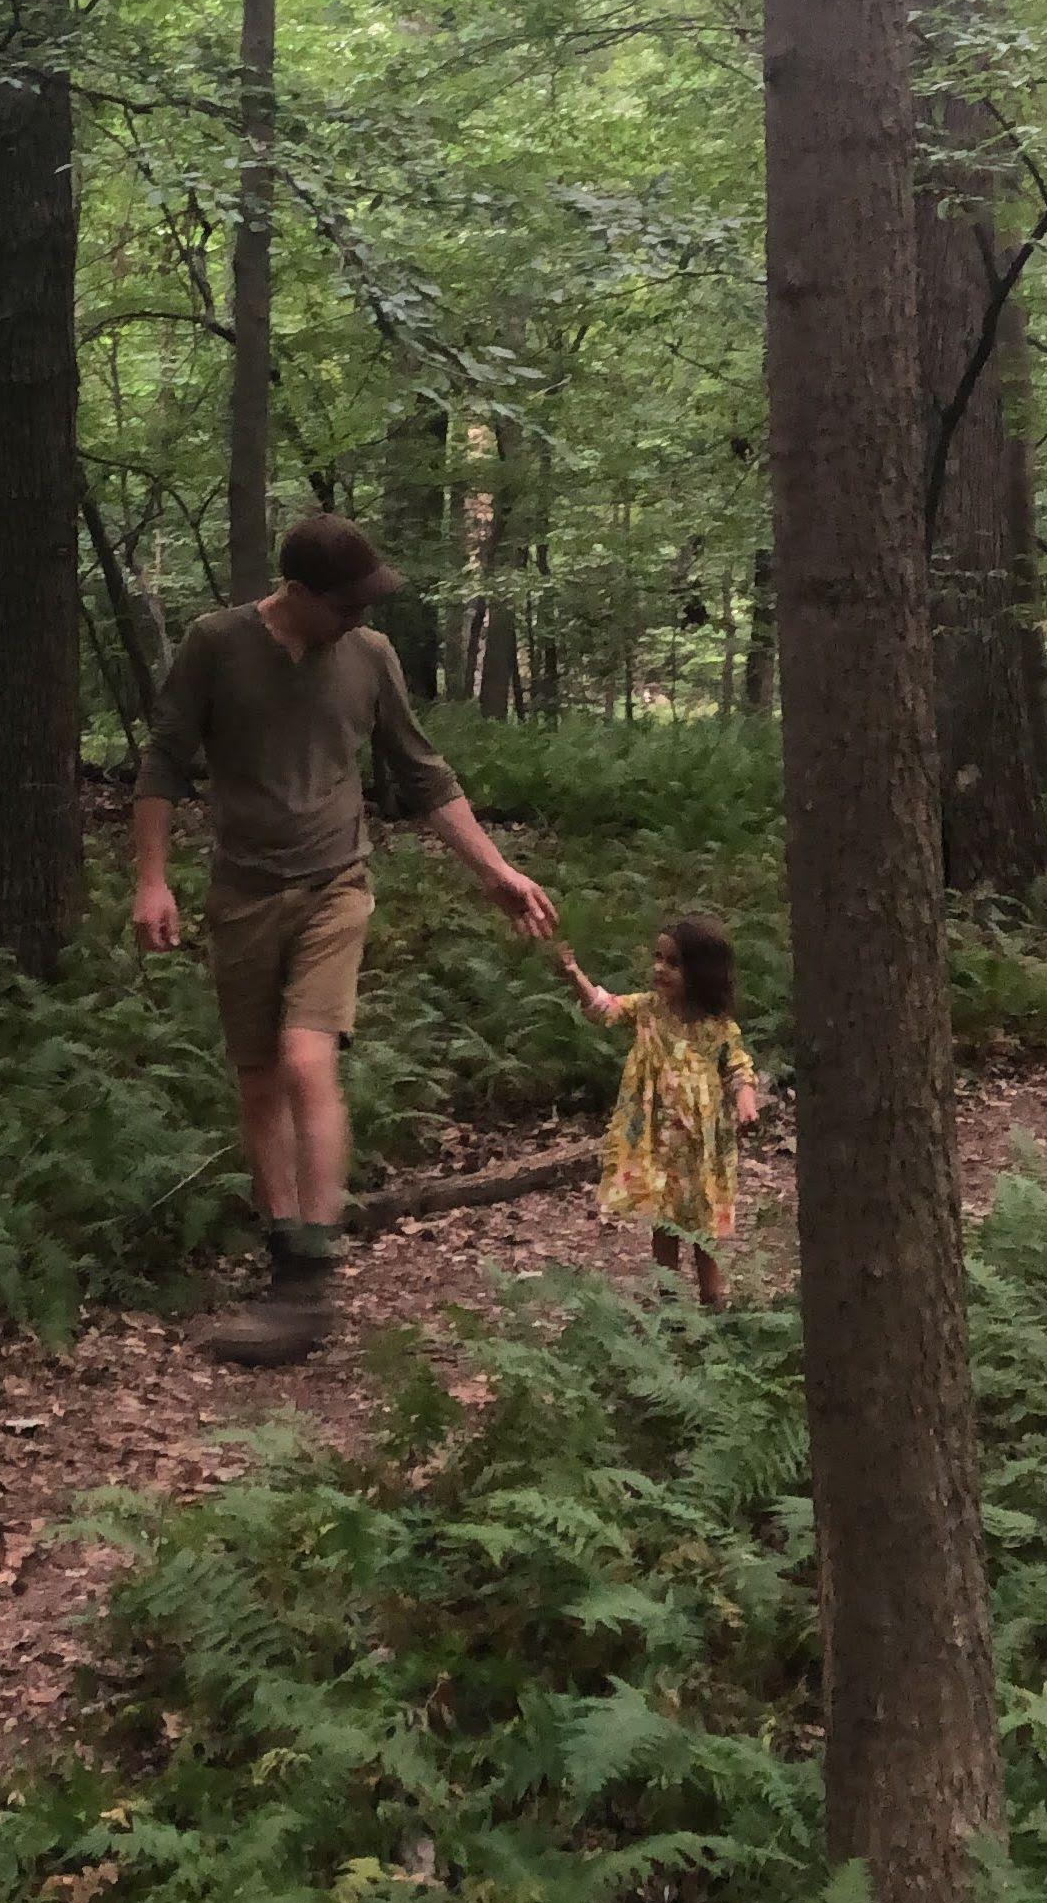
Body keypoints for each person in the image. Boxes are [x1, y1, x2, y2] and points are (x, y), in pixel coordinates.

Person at [132, 512, 560, 1364]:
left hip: (336, 885)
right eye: (350, 603)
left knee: (304, 1057)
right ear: (299, 593)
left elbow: (422, 771)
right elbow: (165, 762)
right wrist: (150, 879)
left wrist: (496, 873)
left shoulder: (370, 659)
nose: (364, 617)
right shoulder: (217, 644)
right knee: (259, 1081)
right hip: (243, 892)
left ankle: (315, 1276)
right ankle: (287, 1262)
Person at [559, 914, 760, 1311]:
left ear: (701, 971)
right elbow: (604, 1007)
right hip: (660, 1139)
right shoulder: (649, 1011)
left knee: (704, 1220)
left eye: (672, 962)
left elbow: (738, 1066)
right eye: (657, 958)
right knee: (665, 1218)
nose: (658, 969)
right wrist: (573, 975)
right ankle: (666, 1299)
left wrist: (745, 1099)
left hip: (702, 1143)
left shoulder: (717, 1027)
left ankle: (714, 1302)